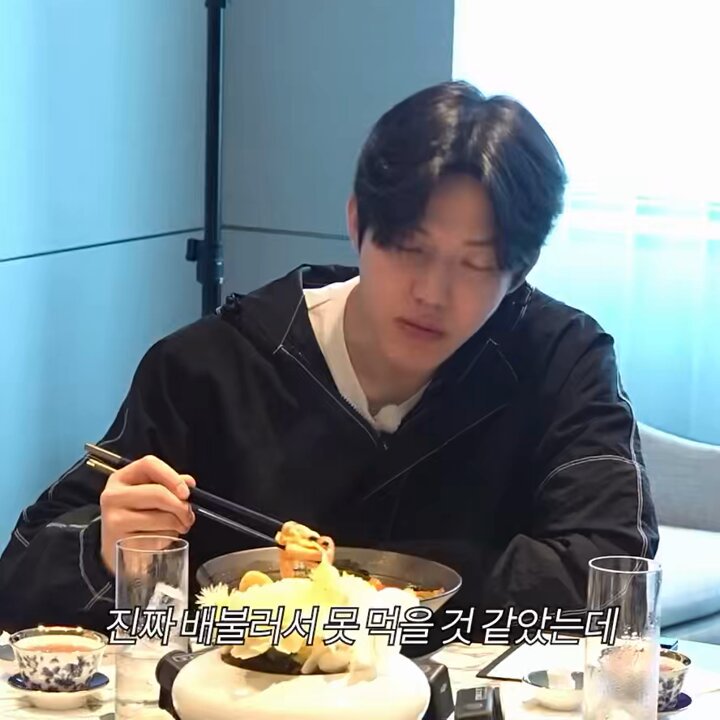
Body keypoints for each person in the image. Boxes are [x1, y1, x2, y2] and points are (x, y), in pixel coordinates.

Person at [0, 81, 658, 645]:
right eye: (409, 248)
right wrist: (108, 550)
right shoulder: (211, 368)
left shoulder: (560, 362)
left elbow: (612, 579)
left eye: (476, 264)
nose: (432, 292)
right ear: (355, 221)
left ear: (522, 268)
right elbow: (22, 578)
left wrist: (366, 595)